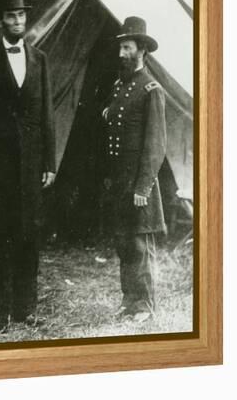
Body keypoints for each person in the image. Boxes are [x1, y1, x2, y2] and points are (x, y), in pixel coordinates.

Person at [0, 0, 56, 330]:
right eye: (11, 16)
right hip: (2, 163)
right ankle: (1, 312)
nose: (18, 21)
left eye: (21, 15)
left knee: (29, 237)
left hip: (34, 164)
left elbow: (48, 114)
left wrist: (50, 163)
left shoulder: (40, 59)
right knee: (3, 237)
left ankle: (27, 308)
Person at [102, 16, 167, 323]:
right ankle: (129, 301)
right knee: (123, 242)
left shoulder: (151, 90)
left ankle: (145, 305)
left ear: (141, 49)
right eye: (120, 48)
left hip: (139, 183)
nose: (121, 54)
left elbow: (155, 145)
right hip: (119, 181)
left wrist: (143, 187)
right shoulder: (119, 87)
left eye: (127, 48)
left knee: (141, 244)